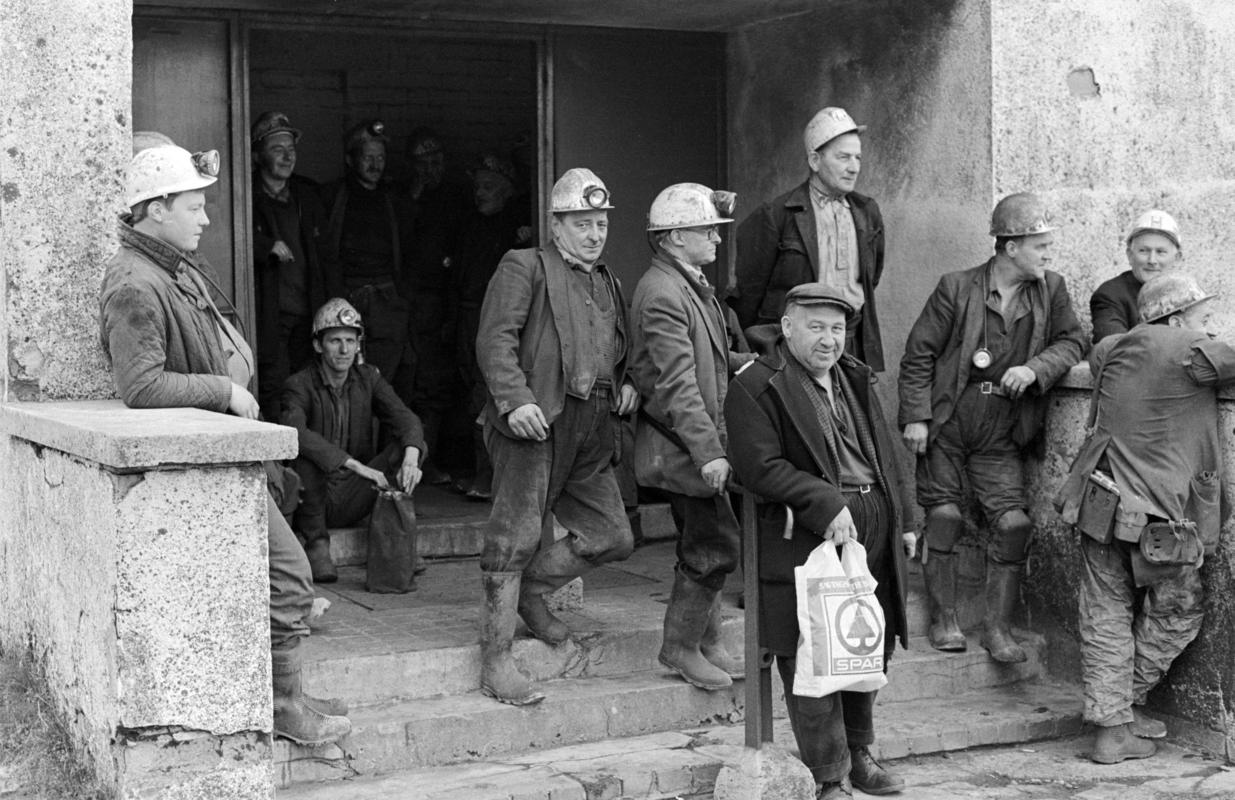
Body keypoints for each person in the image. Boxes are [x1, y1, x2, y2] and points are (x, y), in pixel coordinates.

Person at [99, 144, 351, 746]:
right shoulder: (135, 281)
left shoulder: (170, 267)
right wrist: (223, 391)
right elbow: (140, 385)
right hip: (199, 463)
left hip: (225, 455)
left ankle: (286, 695)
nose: (207, 218)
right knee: (290, 576)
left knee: (282, 578)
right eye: (195, 206)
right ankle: (283, 707)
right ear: (156, 209)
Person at [725, 283, 910, 799]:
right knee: (810, 657)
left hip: (871, 521)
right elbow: (758, 467)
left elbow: (886, 455)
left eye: (837, 328)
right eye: (816, 327)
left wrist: (906, 518)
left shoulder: (853, 376)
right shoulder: (757, 386)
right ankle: (829, 775)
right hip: (805, 533)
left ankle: (860, 754)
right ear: (787, 328)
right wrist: (825, 504)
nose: (829, 340)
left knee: (862, 644)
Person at [475, 167, 638, 706]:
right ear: (557, 223)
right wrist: (514, 399)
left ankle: (533, 595)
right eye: (582, 223)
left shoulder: (607, 279)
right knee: (515, 538)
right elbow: (495, 338)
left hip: (591, 427)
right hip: (534, 421)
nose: (595, 234)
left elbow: (617, 348)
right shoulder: (525, 265)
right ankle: (496, 661)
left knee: (613, 533)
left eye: (601, 224)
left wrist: (629, 382)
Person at [899, 192, 1084, 662]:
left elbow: (1074, 340)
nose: (1047, 253)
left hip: (1002, 427)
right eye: (1039, 244)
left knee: (1015, 524)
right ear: (1010, 247)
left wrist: (1037, 368)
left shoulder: (1051, 288)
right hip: (950, 419)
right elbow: (919, 352)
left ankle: (997, 629)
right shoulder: (956, 288)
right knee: (944, 517)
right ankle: (944, 618)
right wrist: (917, 416)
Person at [1056, 272, 1230, 764]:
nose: (1210, 329)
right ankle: (1120, 709)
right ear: (1175, 318)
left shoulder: (1113, 347)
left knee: (1105, 611)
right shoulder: (1189, 349)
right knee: (1180, 607)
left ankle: (1114, 724)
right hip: (1159, 517)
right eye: (1204, 319)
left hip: (1098, 501)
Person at [631, 182, 752, 691]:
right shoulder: (663, 293)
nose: (717, 240)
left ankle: (708, 641)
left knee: (713, 539)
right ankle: (680, 647)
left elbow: (714, 363)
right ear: (676, 236)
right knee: (710, 545)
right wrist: (709, 453)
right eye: (708, 231)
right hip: (682, 446)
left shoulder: (689, 283)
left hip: (695, 442)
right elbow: (678, 385)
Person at [730, 107, 887, 371]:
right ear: (815, 161)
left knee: (853, 412)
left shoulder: (867, 212)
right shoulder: (776, 215)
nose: (854, 168)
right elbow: (748, 296)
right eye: (843, 157)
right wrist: (766, 352)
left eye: (858, 158)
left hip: (851, 344)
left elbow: (872, 277)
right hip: (793, 348)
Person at [281, 298, 426, 583]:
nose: (344, 349)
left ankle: (397, 537)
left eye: (351, 340)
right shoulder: (299, 384)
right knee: (305, 456)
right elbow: (294, 432)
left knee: (408, 447)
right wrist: (356, 466)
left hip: (354, 493)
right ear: (318, 345)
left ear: (359, 344)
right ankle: (317, 545)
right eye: (335, 341)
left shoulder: (368, 378)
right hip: (311, 500)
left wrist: (411, 458)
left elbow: (405, 418)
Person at [251, 111, 341, 420]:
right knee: (273, 387)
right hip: (270, 316)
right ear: (257, 155)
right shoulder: (244, 196)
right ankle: (279, 463)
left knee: (306, 388)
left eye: (291, 149)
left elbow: (328, 257)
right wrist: (265, 247)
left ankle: (302, 460)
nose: (288, 156)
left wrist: (332, 304)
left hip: (308, 313)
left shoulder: (307, 195)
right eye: (278, 149)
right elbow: (226, 237)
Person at [454, 153, 531, 500]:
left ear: (505, 190)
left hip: (499, 325)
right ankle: (481, 475)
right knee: (472, 392)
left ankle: (490, 478)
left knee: (488, 395)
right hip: (469, 319)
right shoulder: (472, 225)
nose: (479, 193)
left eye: (488, 186)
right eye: (477, 187)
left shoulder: (518, 233)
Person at [402, 127, 473, 486]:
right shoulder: (404, 199)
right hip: (412, 305)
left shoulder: (456, 199)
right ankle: (418, 461)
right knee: (417, 385)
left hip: (447, 303)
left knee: (443, 387)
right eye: (423, 162)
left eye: (436, 160)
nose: (431, 168)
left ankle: (437, 458)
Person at [320, 120, 411, 388]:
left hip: (386, 300)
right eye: (368, 157)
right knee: (344, 376)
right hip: (346, 296)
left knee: (384, 379)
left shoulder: (393, 199)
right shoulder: (332, 197)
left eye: (380, 157)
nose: (375, 165)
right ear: (351, 159)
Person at [1090, 209, 1183, 344]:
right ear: (1130, 255)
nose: (1152, 260)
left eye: (1161, 252)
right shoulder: (1110, 295)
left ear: (1177, 258)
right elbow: (1115, 348)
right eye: (1143, 251)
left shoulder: (1186, 293)